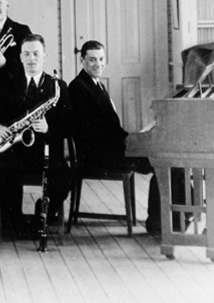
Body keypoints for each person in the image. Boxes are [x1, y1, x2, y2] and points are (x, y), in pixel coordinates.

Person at [68, 40, 187, 237]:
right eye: (92, 60)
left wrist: (134, 138)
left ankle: (177, 217)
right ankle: (160, 223)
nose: (98, 64)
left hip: (111, 149)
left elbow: (111, 129)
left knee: (167, 159)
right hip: (98, 156)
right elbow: (90, 133)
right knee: (162, 162)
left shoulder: (97, 85)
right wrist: (129, 142)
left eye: (101, 59)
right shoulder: (78, 87)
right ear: (82, 61)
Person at [0, 34, 72, 236]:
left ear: (44, 56)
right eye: (26, 54)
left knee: (64, 179)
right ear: (20, 57)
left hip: (46, 152)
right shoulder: (8, 84)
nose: (31, 59)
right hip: (15, 151)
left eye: (36, 54)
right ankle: (16, 218)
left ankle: (43, 214)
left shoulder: (58, 86)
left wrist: (49, 127)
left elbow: (70, 124)